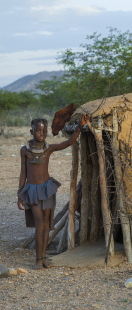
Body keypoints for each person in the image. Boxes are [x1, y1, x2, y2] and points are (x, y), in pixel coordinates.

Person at [17, 114, 89, 269]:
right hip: (32, 191)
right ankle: (37, 260)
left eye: (44, 131)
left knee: (45, 225)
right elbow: (23, 172)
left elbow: (68, 142)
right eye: (38, 131)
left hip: (47, 189)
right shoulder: (25, 151)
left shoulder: (48, 149)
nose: (42, 134)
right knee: (39, 223)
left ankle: (43, 259)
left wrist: (79, 127)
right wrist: (20, 194)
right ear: (32, 132)